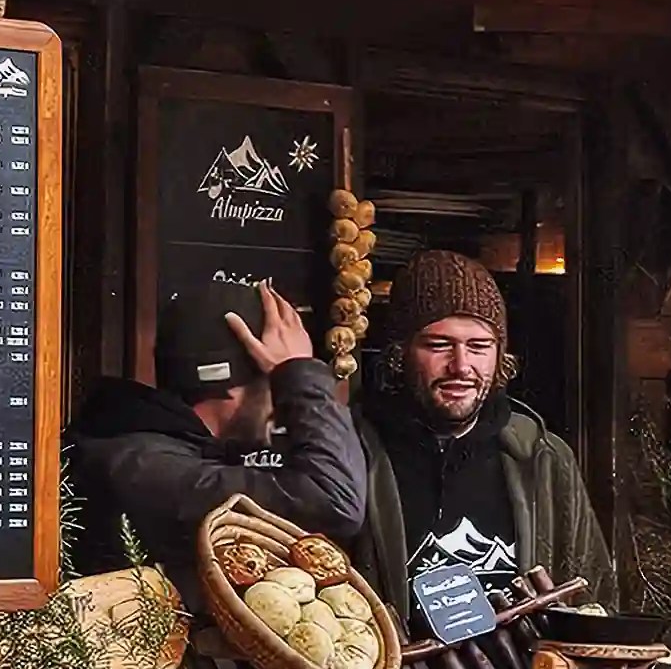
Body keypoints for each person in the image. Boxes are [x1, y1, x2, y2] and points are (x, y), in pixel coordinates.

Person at [352, 246, 612, 612]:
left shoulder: (542, 457)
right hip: (394, 667)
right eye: (439, 345)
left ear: (499, 354)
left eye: (479, 346)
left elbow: (593, 594)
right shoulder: (354, 452)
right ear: (400, 353)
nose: (461, 366)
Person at [67, 279, 367, 580]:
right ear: (228, 385)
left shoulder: (182, 449)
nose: (278, 405)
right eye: (273, 384)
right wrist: (299, 374)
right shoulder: (141, 466)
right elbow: (336, 502)